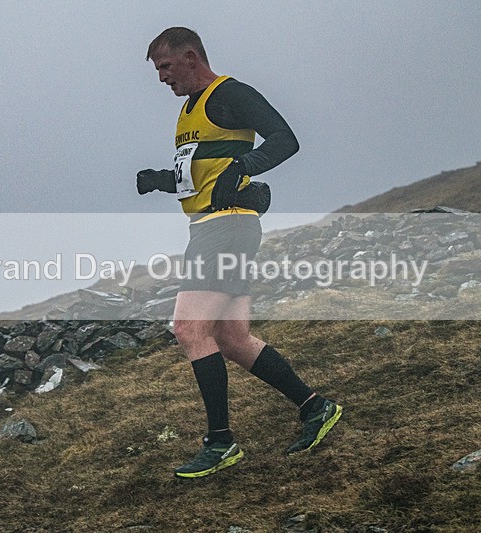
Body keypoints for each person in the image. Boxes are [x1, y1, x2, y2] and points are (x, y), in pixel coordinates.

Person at [137, 27, 342, 479]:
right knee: (230, 337)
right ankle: (315, 406)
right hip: (213, 225)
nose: (161, 79)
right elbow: (204, 173)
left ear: (191, 58)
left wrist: (246, 167)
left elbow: (285, 139)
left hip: (225, 225)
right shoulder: (189, 110)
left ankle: (221, 441)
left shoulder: (229, 93)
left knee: (189, 329)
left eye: (165, 68)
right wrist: (160, 179)